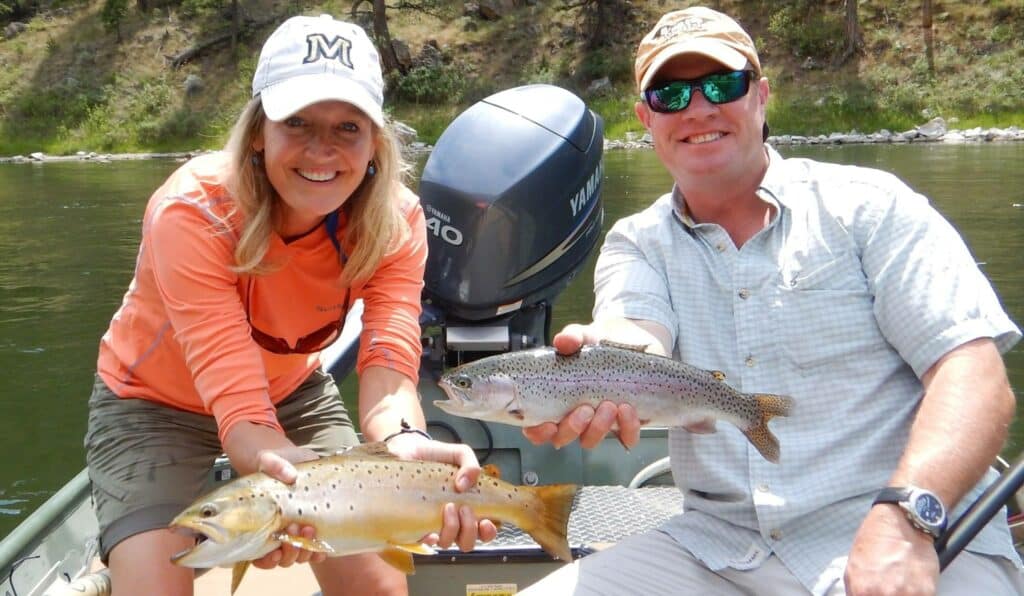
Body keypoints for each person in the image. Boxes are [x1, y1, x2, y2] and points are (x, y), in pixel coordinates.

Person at [520, 6, 1023, 595]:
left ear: (761, 97)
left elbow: (975, 377)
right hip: (717, 550)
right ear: (645, 119)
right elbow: (635, 329)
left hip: (908, 534)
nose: (699, 108)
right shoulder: (636, 242)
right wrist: (611, 358)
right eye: (670, 95)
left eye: (722, 85)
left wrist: (906, 516)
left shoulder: (871, 207)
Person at [83, 14, 496, 596]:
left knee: (377, 587)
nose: (321, 149)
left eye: (347, 127)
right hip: (150, 404)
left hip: (291, 391)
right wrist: (283, 490)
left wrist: (404, 441)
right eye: (296, 122)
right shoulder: (191, 212)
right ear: (258, 131)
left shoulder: (396, 222)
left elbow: (387, 362)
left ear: (375, 141)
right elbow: (237, 401)